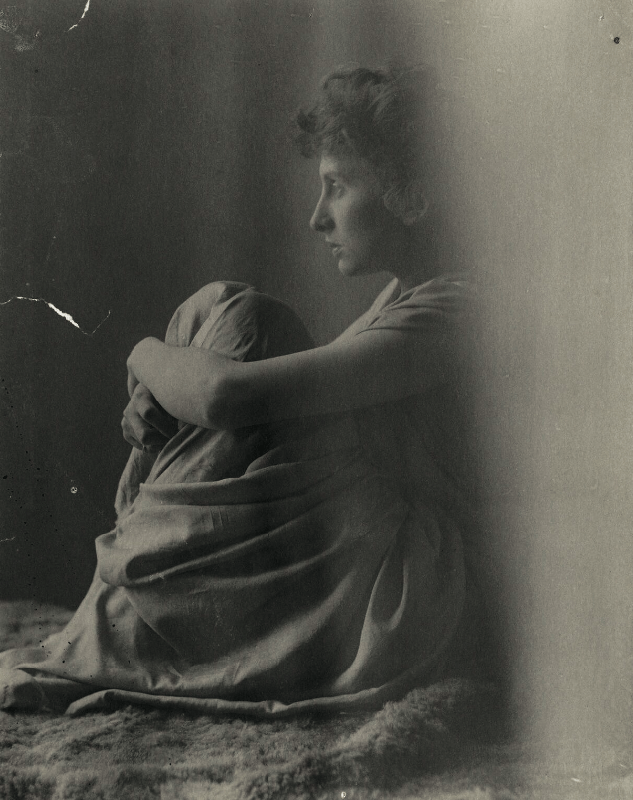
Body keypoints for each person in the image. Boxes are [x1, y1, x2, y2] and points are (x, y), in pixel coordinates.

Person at [0, 67, 484, 716]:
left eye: (338, 187)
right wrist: (167, 386)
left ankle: (113, 626)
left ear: (408, 192)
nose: (317, 218)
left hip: (409, 589)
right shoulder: (406, 293)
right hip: (372, 546)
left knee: (249, 324)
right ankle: (116, 620)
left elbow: (229, 398)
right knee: (225, 309)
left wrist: (142, 355)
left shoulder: (456, 310)